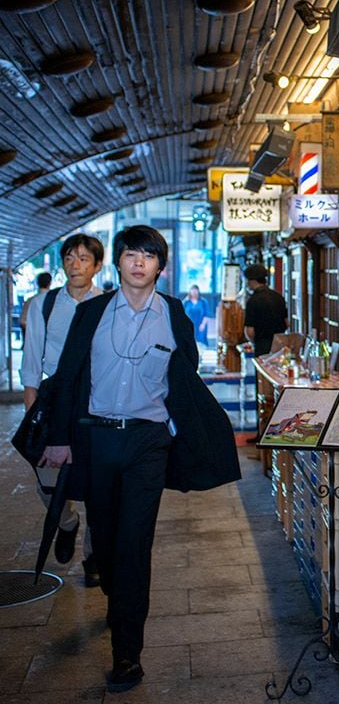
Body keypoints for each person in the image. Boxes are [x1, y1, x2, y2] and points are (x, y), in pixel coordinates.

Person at [40, 225, 241, 693]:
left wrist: (185, 433)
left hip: (148, 443)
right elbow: (68, 376)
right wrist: (59, 437)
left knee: (134, 544)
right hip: (97, 440)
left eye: (147, 257)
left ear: (160, 266)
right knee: (107, 541)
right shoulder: (92, 314)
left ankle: (127, 653)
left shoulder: (173, 314)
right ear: (118, 263)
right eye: (130, 254)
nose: (138, 263)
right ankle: (113, 587)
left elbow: (185, 376)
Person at [20, 235, 103, 586]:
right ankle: (67, 521)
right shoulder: (45, 303)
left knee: (98, 482)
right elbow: (31, 356)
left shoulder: (108, 303)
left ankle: (93, 556)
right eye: (70, 258)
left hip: (96, 397)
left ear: (97, 266)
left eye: (84, 259)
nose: (76, 265)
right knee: (48, 480)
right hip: (54, 398)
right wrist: (31, 408)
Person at [243, 263, 288, 357]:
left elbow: (249, 331)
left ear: (252, 280)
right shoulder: (278, 297)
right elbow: (287, 322)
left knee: (262, 370)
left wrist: (254, 342)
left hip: (261, 345)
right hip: (280, 345)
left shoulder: (252, 301)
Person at [20, 271, 52, 342]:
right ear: (50, 283)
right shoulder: (55, 301)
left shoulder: (30, 301)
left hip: (33, 341)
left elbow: (23, 322)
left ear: (37, 283)